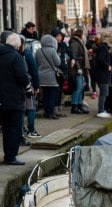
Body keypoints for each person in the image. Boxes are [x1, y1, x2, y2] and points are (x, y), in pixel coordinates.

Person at [0, 33, 30, 165]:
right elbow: (22, 77)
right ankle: (10, 156)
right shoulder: (16, 57)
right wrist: (28, 87)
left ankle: (8, 155)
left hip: (2, 99)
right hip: (14, 98)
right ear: (18, 45)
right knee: (14, 129)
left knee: (6, 129)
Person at [19, 35, 41, 139]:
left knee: (21, 109)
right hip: (28, 84)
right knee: (31, 108)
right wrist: (36, 86)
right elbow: (34, 71)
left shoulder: (11, 54)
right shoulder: (27, 54)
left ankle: (21, 129)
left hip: (15, 86)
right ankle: (31, 130)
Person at [36, 34, 61, 120]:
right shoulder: (53, 50)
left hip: (41, 76)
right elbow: (58, 63)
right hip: (51, 76)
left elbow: (36, 62)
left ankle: (46, 112)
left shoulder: (39, 51)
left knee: (45, 95)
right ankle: (51, 113)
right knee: (52, 95)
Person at [69, 29, 90, 114]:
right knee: (78, 87)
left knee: (81, 87)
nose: (84, 36)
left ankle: (79, 105)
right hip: (78, 69)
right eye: (83, 34)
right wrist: (78, 68)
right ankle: (75, 106)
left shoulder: (79, 43)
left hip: (82, 67)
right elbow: (74, 56)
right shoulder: (75, 43)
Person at [95, 33, 112, 118]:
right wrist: (107, 66)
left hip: (102, 74)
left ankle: (102, 109)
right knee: (104, 93)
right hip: (102, 74)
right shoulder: (103, 48)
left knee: (104, 92)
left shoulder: (102, 47)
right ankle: (100, 111)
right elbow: (101, 59)